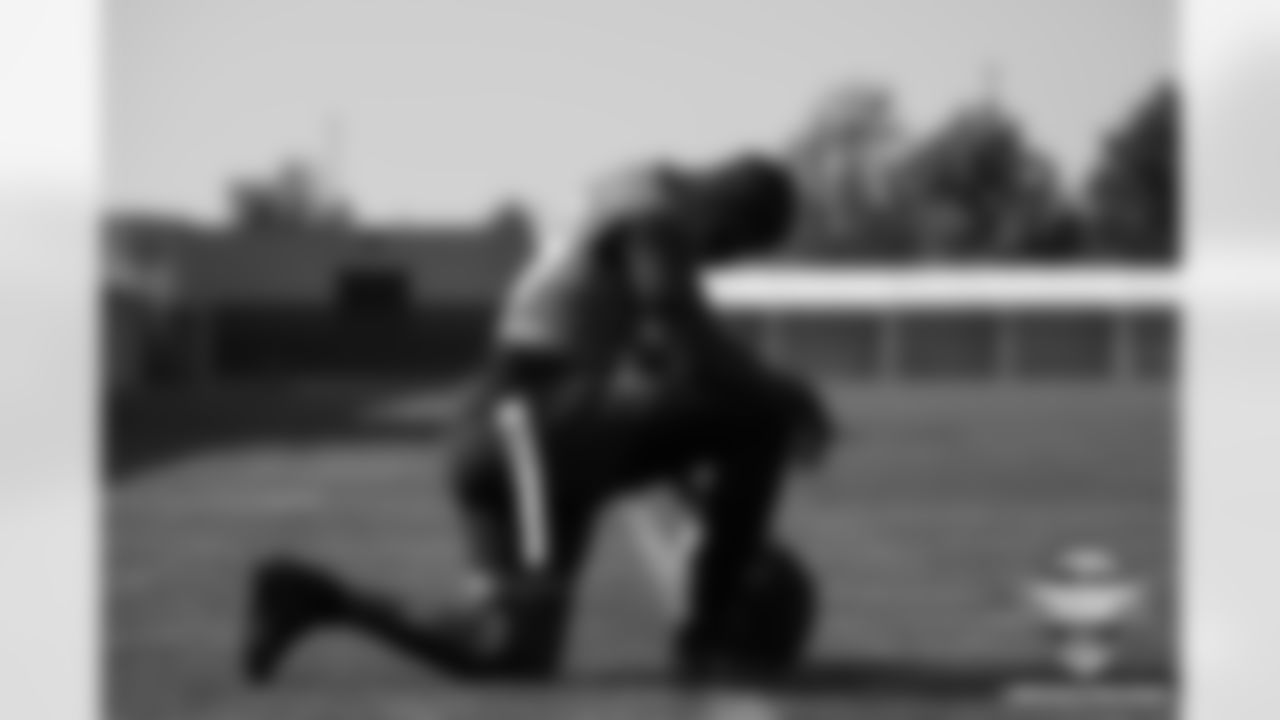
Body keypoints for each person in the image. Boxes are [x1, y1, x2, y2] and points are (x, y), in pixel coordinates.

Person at [242, 153, 832, 684]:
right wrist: (781, 392)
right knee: (762, 415)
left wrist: (711, 501)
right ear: (725, 213)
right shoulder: (654, 212)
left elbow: (667, 390)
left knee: (509, 650)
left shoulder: (632, 202)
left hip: (528, 432)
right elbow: (676, 317)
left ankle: (314, 599)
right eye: (730, 245)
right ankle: (711, 636)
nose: (719, 260)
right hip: (532, 423)